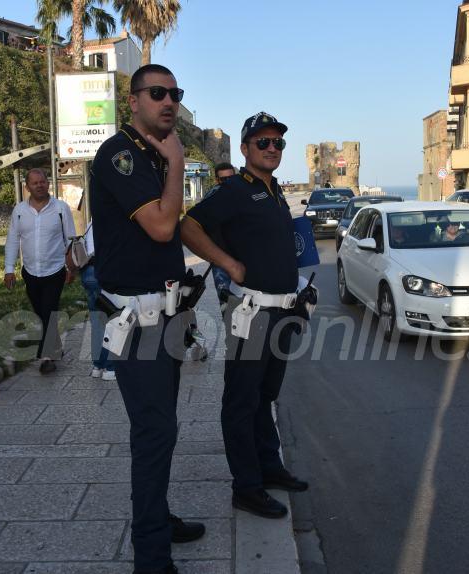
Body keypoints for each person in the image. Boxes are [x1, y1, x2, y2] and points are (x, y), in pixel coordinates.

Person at [89, 63, 203, 574]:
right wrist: (177, 161)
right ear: (132, 100)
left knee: (163, 429)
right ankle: (151, 556)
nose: (169, 102)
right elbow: (161, 227)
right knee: (155, 433)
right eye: (157, 93)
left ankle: (158, 516)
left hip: (167, 319)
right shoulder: (120, 154)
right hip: (141, 326)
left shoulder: (151, 156)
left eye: (175, 94)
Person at [180, 112, 309, 521]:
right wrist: (229, 264)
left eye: (278, 143)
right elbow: (189, 226)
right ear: (245, 148)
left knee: (264, 397)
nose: (272, 148)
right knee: (241, 400)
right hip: (251, 313)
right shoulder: (235, 190)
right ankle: (246, 488)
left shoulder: (273, 191)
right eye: (263, 142)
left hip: (282, 313)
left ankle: (268, 467)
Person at [3, 168, 75, 375]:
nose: (40, 185)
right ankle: (54, 346)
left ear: (48, 184)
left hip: (55, 270)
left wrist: (71, 267)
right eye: (35, 183)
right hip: (31, 272)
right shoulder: (19, 211)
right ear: (27, 187)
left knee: (49, 310)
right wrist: (9, 269)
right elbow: (12, 241)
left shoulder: (61, 209)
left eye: (42, 181)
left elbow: (70, 240)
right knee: (40, 312)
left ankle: (46, 357)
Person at [79, 223, 115, 381]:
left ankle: (97, 366)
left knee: (97, 322)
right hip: (104, 272)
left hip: (88, 273)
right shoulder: (112, 219)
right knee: (112, 321)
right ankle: (110, 367)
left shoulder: (92, 222)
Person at [209, 162, 236, 303]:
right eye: (223, 180)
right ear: (217, 180)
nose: (227, 183)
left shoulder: (244, 196)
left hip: (243, 256)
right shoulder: (211, 197)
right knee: (226, 301)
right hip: (220, 257)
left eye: (231, 179)